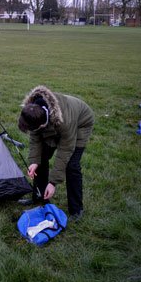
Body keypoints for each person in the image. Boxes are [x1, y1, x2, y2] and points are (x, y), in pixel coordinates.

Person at [17, 85, 94, 222]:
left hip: (81, 122)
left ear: (42, 125)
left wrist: (53, 182)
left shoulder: (65, 121)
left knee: (72, 166)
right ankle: (39, 196)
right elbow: (35, 140)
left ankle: (76, 209)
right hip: (53, 122)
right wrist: (34, 161)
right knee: (41, 159)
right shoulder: (33, 111)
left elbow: (65, 150)